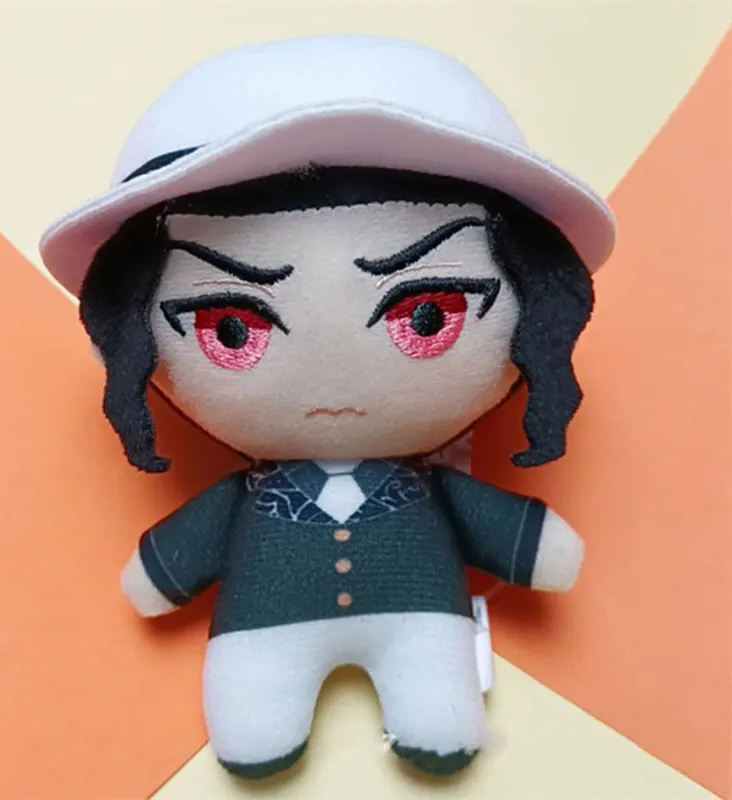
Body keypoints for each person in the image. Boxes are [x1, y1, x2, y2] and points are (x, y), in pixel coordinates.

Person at [40, 35, 615, 779]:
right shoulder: (260, 498)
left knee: (435, 711)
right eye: (231, 328)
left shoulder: (419, 491)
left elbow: (506, 531)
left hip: (419, 624)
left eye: (427, 316)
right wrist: (159, 572)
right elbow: (172, 562)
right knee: (256, 719)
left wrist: (533, 545)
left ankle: (429, 716)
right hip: (263, 633)